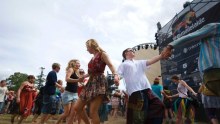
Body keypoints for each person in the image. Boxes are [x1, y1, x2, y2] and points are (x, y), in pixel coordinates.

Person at [117, 47, 171, 124]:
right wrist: (116, 79)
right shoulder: (123, 64)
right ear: (126, 53)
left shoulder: (139, 62)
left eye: (133, 50)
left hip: (147, 89)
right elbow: (119, 74)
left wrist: (161, 55)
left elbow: (151, 61)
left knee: (159, 105)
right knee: (139, 116)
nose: (133, 51)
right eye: (131, 50)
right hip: (135, 91)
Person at [74, 39, 119, 124]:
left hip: (99, 82)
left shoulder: (102, 54)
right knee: (77, 107)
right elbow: (91, 73)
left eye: (87, 47)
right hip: (90, 83)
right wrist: (84, 76)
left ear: (92, 45)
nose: (87, 49)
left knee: (93, 112)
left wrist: (116, 75)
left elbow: (111, 65)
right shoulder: (91, 59)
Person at [168, 23, 220, 96]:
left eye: (173, 80)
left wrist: (170, 46)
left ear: (175, 79)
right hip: (211, 75)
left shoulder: (215, 27)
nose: (173, 81)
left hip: (215, 72)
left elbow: (192, 36)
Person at [56, 60, 83, 124]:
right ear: (73, 63)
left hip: (75, 94)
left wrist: (80, 83)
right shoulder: (71, 69)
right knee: (66, 113)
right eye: (78, 63)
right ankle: (57, 122)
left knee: (73, 113)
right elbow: (67, 79)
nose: (79, 65)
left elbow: (78, 82)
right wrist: (78, 80)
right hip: (68, 94)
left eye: (80, 64)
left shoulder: (77, 72)